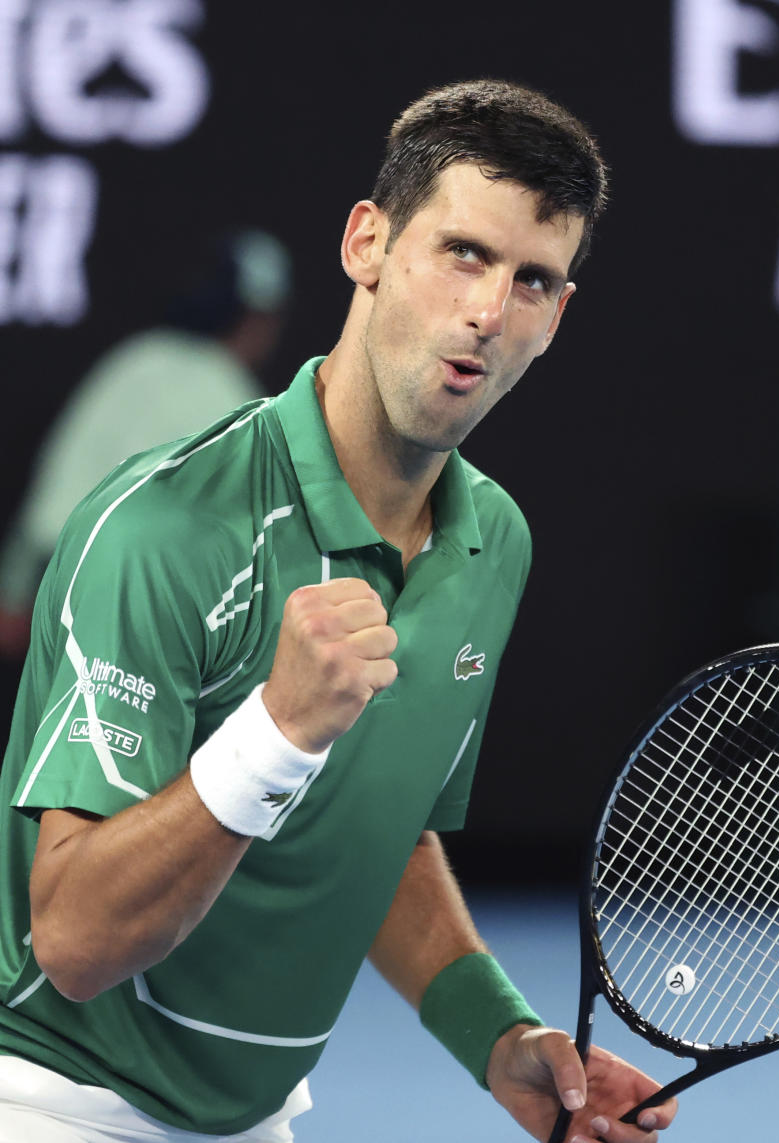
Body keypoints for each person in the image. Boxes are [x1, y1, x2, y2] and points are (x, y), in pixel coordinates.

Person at [0, 79, 678, 1143]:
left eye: (533, 280)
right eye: (462, 252)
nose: (488, 314)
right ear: (368, 243)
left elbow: (380, 833)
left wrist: (498, 1040)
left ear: (557, 318)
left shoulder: (492, 544)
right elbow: (74, 941)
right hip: (57, 1103)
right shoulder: (163, 530)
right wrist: (274, 732)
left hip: (260, 1119)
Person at [0, 227, 293, 659]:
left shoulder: (136, 358)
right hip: (129, 597)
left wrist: (13, 590)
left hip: (57, 579)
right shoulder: (234, 399)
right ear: (256, 320)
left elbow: (53, 494)